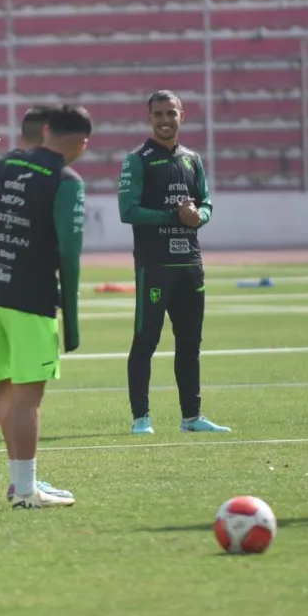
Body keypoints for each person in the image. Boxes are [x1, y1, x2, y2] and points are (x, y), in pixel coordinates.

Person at [0, 105, 91, 509]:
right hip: (31, 296)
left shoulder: (2, 167)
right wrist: (72, 319)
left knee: (4, 386)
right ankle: (26, 491)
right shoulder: (67, 181)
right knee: (29, 395)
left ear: (46, 131)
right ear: (83, 143)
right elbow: (70, 253)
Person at [119, 90, 229, 435]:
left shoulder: (193, 159)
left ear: (182, 115)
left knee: (190, 342)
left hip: (190, 264)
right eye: (158, 115)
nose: (165, 121)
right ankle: (141, 419)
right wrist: (175, 214)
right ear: (149, 118)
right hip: (155, 265)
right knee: (146, 341)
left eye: (171, 113)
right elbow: (128, 211)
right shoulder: (137, 159)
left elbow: (207, 202)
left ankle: (191, 417)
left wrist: (199, 216)